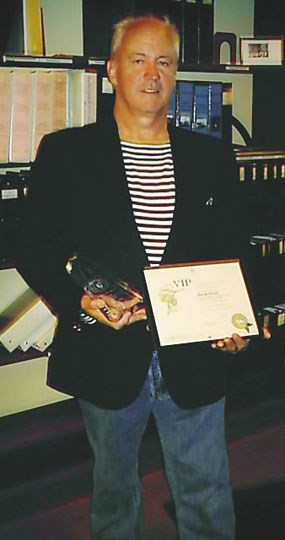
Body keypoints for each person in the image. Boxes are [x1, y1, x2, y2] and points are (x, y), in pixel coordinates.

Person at [15, 14, 252, 540]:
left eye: (164, 62)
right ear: (112, 71)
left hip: (194, 352)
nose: (152, 73)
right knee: (115, 494)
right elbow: (33, 247)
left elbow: (232, 251)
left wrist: (239, 319)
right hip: (106, 351)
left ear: (176, 74)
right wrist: (78, 300)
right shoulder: (67, 153)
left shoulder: (211, 156)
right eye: (139, 60)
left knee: (208, 493)